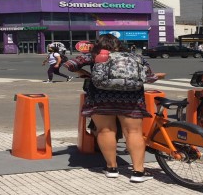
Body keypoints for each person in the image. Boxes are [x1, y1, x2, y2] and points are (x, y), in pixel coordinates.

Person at [63, 34, 163, 183]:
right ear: (119, 44)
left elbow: (69, 64)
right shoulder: (134, 57)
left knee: (106, 130)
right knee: (133, 132)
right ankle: (138, 172)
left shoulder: (94, 55)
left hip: (100, 97)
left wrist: (83, 73)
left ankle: (111, 169)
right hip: (131, 98)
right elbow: (148, 75)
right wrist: (158, 77)